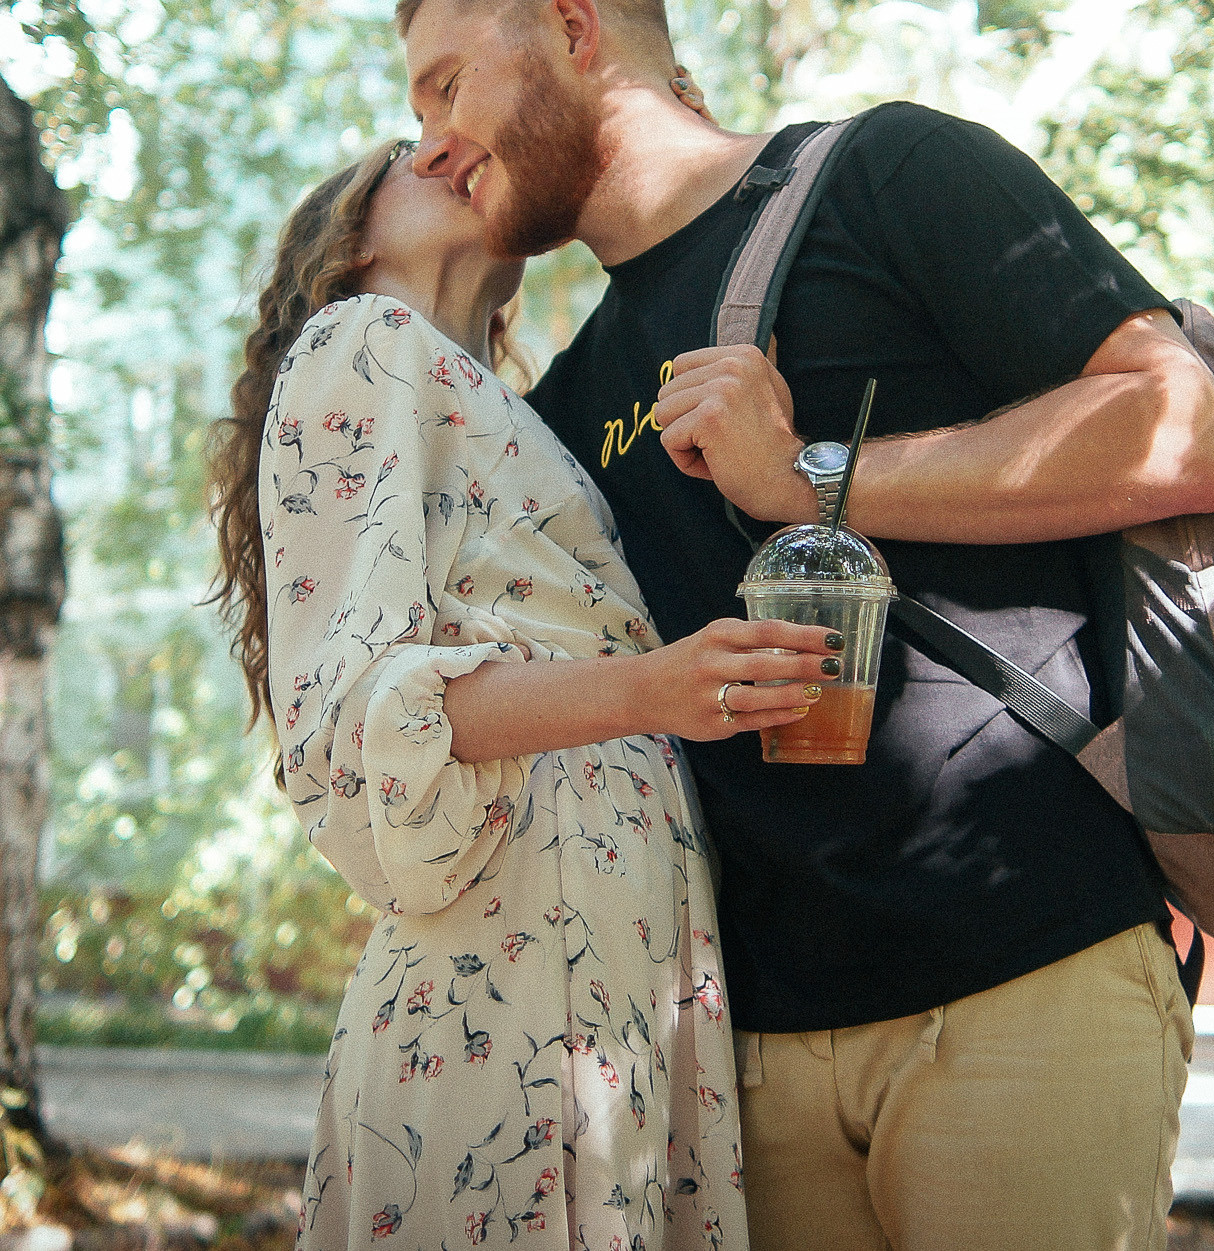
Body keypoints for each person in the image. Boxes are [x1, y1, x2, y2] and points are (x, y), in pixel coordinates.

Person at [399, 0, 1214, 1251]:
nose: (433, 135)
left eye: (447, 83)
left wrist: (813, 481)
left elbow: (1183, 431)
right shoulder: (561, 407)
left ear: (572, 25)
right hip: (751, 1043)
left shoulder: (892, 173)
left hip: (1024, 965)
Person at [208, 134, 845, 1251]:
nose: (453, 147)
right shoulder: (362, 339)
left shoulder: (505, 401)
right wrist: (651, 688)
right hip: (511, 930)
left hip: (608, 925)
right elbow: (364, 714)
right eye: (411, 150)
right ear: (350, 233)